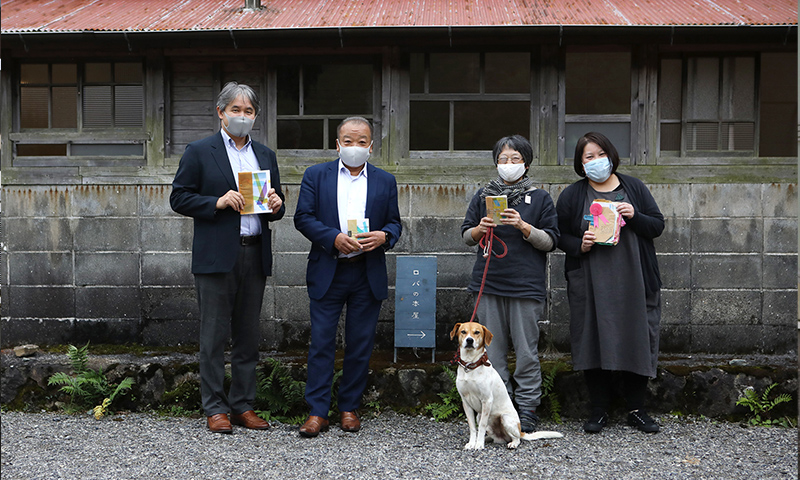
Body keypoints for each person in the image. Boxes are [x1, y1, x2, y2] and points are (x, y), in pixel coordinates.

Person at [170, 82, 285, 434]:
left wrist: (278, 204)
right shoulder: (200, 151)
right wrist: (216, 202)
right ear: (220, 112)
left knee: (248, 336)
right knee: (214, 335)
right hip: (217, 256)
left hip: (254, 251)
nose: (242, 117)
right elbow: (179, 197)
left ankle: (242, 406)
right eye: (235, 110)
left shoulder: (264, 155)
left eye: (248, 112)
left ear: (255, 117)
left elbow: (275, 206)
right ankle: (215, 407)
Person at [294, 116, 402, 437]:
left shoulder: (385, 180)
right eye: (348, 141)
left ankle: (349, 408)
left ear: (371, 145)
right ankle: (317, 411)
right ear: (337, 143)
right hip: (329, 268)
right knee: (322, 342)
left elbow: (395, 224)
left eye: (362, 141)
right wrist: (332, 237)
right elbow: (303, 217)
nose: (355, 147)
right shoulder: (316, 175)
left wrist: (385, 236)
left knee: (360, 344)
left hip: (367, 271)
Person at [556, 131, 664, 434]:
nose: (596, 161)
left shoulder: (634, 187)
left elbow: (657, 225)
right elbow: (558, 235)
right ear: (580, 164)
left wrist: (635, 215)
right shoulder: (573, 195)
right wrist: (581, 244)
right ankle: (599, 410)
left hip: (635, 278)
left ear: (611, 155)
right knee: (592, 338)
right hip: (591, 281)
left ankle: (637, 410)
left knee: (638, 337)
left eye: (600, 154)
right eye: (588, 157)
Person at [460, 134, 559, 433]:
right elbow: (466, 236)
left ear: (526, 163)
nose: (508, 164)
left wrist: (524, 226)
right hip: (489, 283)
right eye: (503, 159)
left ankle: (527, 407)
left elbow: (551, 241)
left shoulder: (540, 198)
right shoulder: (483, 196)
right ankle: (499, 408)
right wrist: (480, 228)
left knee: (526, 350)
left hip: (525, 285)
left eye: (515, 159)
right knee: (493, 351)